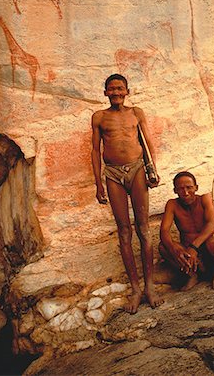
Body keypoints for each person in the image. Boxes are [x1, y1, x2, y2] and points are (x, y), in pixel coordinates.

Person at [91, 74, 164, 314]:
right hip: (112, 173)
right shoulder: (99, 117)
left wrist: (153, 168)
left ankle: (150, 287)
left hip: (137, 169)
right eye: (111, 89)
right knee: (124, 230)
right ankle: (135, 289)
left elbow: (147, 141)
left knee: (143, 228)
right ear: (105, 93)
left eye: (120, 88)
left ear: (127, 91)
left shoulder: (136, 113)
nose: (116, 92)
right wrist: (98, 183)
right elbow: (95, 150)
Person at [157, 171, 214, 290]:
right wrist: (175, 250)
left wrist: (194, 247)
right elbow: (164, 231)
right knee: (163, 247)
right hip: (190, 258)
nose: (185, 192)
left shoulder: (205, 199)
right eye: (181, 189)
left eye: (189, 188)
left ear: (196, 187)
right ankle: (192, 275)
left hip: (212, 256)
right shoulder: (172, 204)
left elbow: (212, 224)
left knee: (213, 241)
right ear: (175, 191)